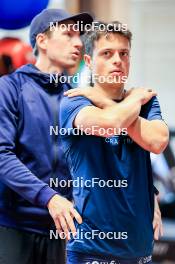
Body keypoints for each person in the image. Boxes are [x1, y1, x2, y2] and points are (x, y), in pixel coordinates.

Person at [60, 21, 169, 264]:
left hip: (139, 249)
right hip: (91, 248)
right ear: (88, 62)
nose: (117, 60)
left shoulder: (146, 102)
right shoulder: (75, 102)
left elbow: (158, 141)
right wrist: (129, 102)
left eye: (124, 53)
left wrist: (109, 100)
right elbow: (109, 124)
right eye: (107, 53)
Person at [0, 8, 93, 264]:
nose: (78, 42)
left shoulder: (76, 99)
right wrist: (49, 197)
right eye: (68, 34)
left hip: (60, 230)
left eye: (79, 36)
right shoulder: (10, 89)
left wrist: (148, 193)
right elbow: (1, 155)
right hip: (12, 228)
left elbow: (99, 159)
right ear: (42, 40)